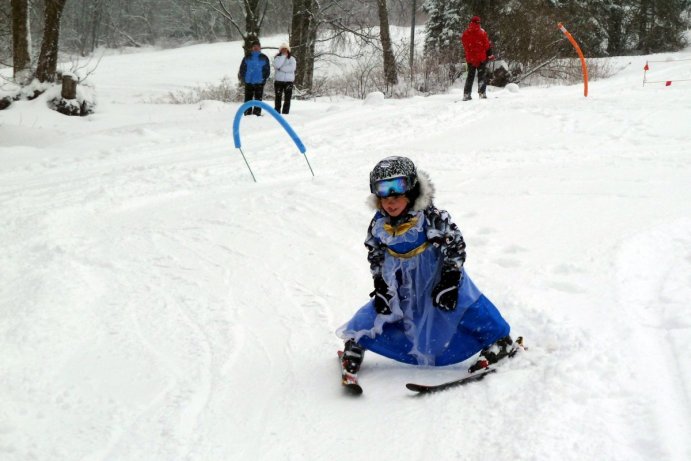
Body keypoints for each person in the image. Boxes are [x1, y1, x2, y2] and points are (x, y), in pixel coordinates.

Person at [336, 156, 516, 377]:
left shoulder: (431, 217)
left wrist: (449, 280)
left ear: (411, 193)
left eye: (397, 195)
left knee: (466, 305)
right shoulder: (379, 222)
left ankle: (501, 340)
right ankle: (357, 342)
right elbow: (375, 251)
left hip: (437, 276)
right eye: (384, 197)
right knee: (384, 308)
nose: (390, 203)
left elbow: (455, 245)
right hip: (403, 280)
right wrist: (381, 283)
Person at [461, 16, 495, 101]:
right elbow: (487, 46)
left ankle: (466, 94)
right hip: (481, 58)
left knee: (470, 76)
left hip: (470, 59)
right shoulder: (482, 32)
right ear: (478, 23)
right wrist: (489, 54)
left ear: (471, 22)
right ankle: (482, 93)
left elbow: (465, 46)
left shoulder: (465, 33)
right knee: (482, 76)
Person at [238, 40, 270, 116]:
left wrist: (263, 79)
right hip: (249, 81)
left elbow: (267, 70)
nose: (256, 48)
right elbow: (242, 69)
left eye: (257, 46)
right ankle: (247, 113)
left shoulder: (264, 57)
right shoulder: (247, 57)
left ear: (260, 48)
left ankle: (257, 113)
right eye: (254, 46)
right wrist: (244, 78)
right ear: (252, 48)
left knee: (258, 100)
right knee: (248, 99)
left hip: (259, 82)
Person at [273, 42, 297, 114]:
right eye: (282, 49)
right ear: (280, 50)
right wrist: (283, 57)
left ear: (288, 50)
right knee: (278, 97)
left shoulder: (292, 59)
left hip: (289, 82)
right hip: (278, 81)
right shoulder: (277, 58)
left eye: (285, 49)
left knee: (287, 98)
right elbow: (277, 65)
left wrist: (281, 68)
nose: (284, 51)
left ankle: (285, 113)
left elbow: (292, 68)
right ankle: (277, 112)